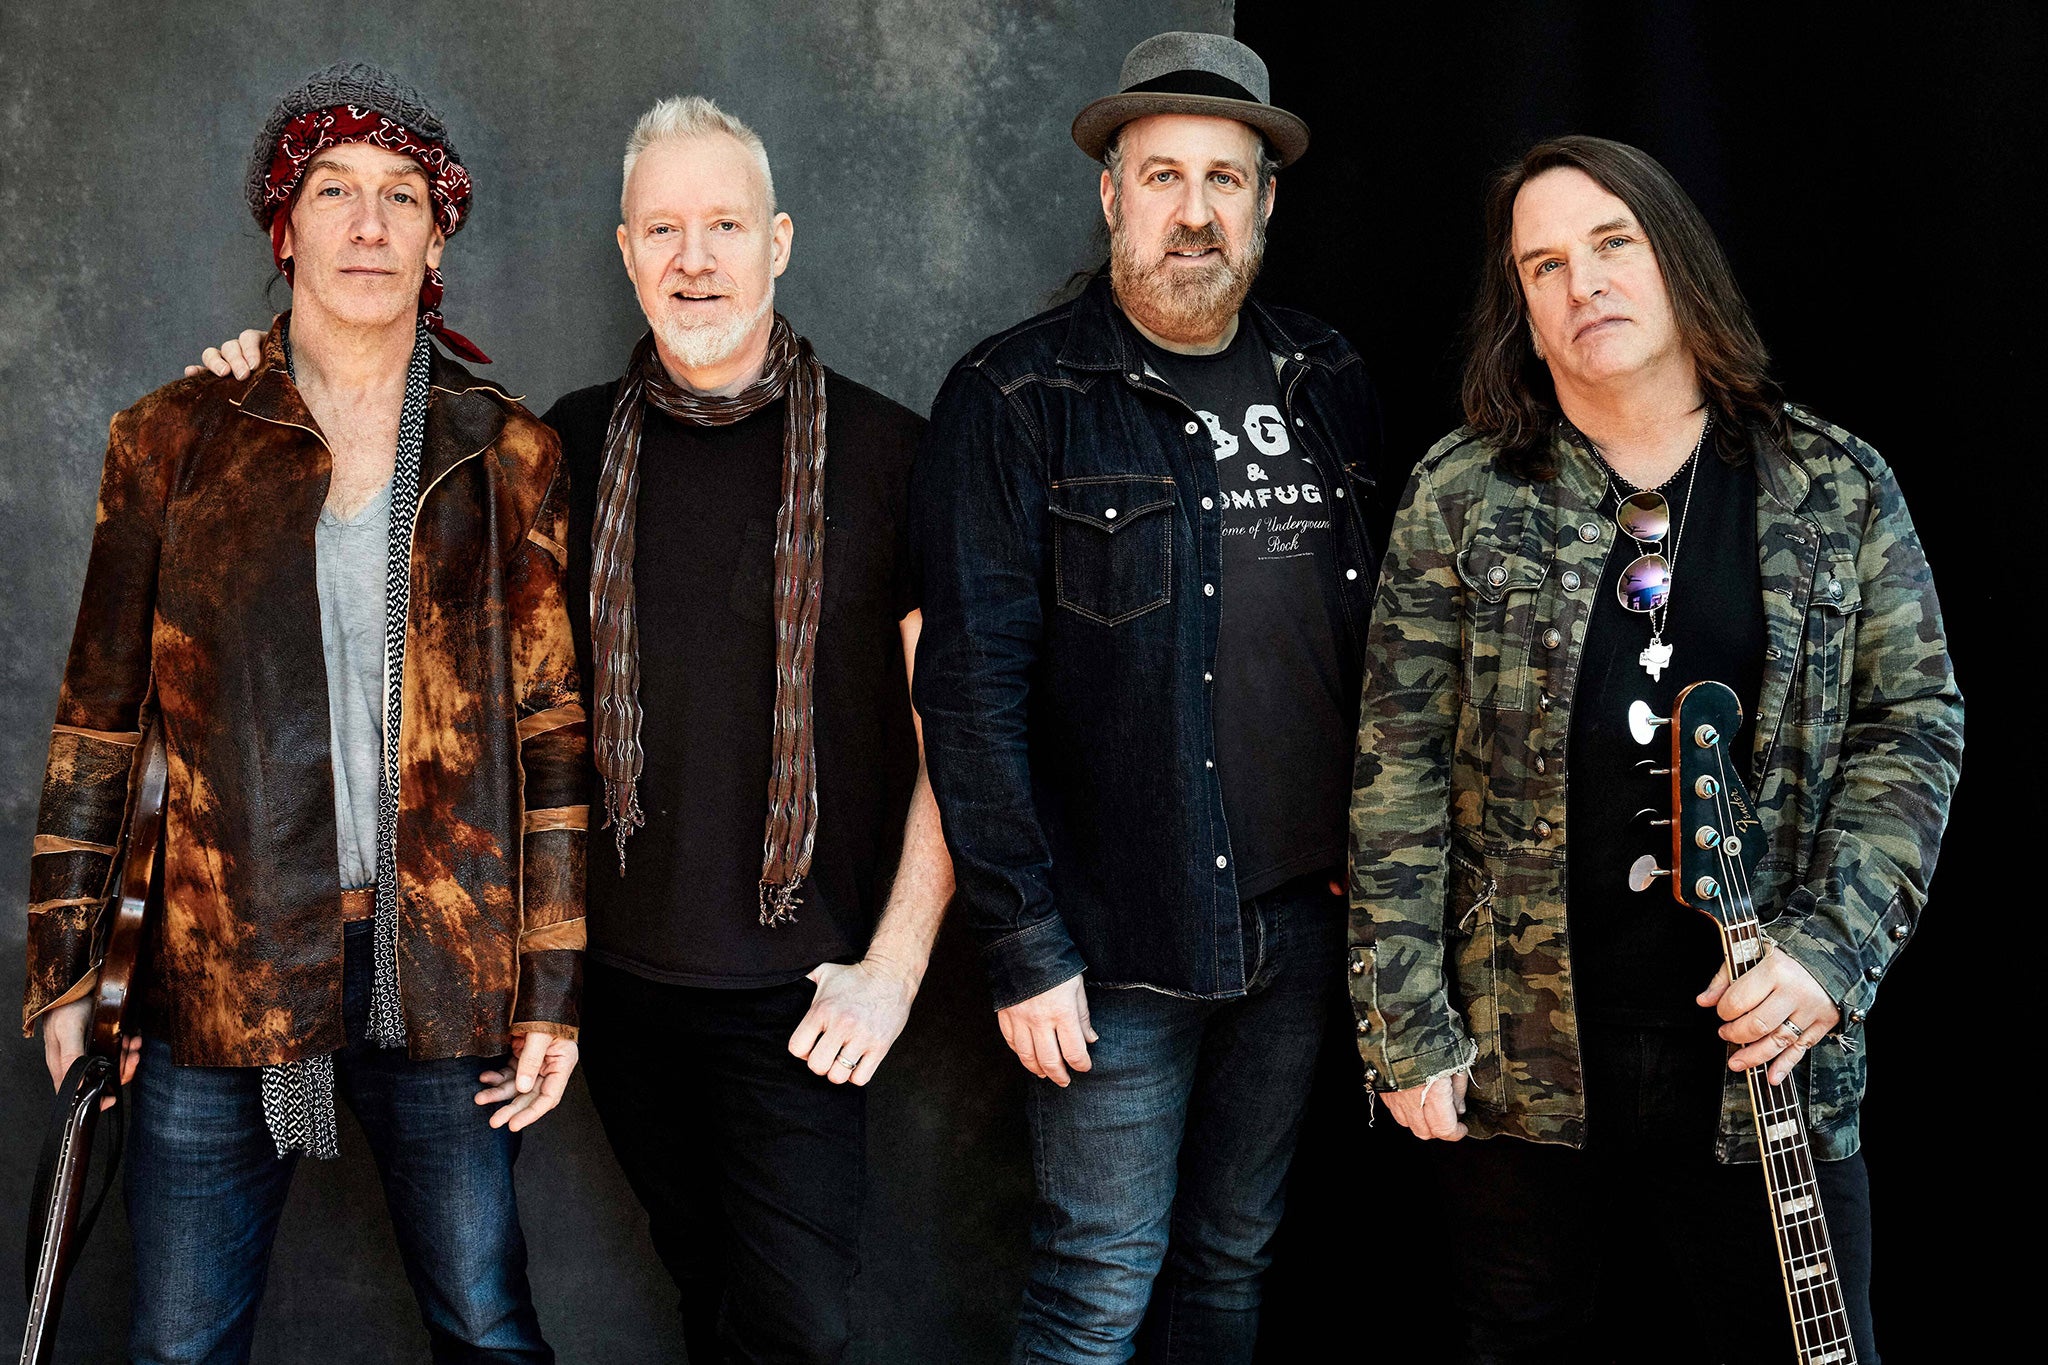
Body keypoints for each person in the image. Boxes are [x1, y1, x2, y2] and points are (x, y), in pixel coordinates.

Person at [202, 92, 951, 1364]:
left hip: (806, 991)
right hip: (620, 989)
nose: (693, 259)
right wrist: (255, 375)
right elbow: (455, 655)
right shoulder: (564, 443)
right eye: (662, 229)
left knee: (798, 1329)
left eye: (724, 225)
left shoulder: (893, 453)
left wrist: (893, 969)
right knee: (701, 1286)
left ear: (777, 241)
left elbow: (956, 737)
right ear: (626, 252)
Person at [1349, 135, 1963, 1363]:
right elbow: (1394, 762)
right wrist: (1401, 1026)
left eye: (1610, 243)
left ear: (1675, 261)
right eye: (1542, 266)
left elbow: (1910, 729)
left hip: (1764, 1055)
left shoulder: (1829, 485)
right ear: (1521, 312)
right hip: (1517, 1061)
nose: (1581, 284)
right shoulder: (1461, 493)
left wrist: (1827, 956)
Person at [26, 61, 587, 1362]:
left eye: (402, 198)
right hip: (215, 959)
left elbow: (551, 733)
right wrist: (67, 971)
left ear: (438, 240)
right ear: (285, 229)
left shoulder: (505, 453)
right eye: (334, 192)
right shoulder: (174, 438)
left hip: (441, 958)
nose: (368, 225)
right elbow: (97, 719)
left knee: (488, 1325)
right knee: (179, 1343)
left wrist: (551, 984)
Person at [913, 31, 1383, 1363]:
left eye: (1223, 179)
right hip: (1117, 936)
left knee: (1232, 1260)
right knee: (1096, 1286)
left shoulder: (1327, 376)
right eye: (1162, 175)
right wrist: (1023, 942)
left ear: (1265, 203)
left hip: (1303, 920)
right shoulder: (1016, 396)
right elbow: (969, 690)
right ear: (1111, 192)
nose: (1193, 212)